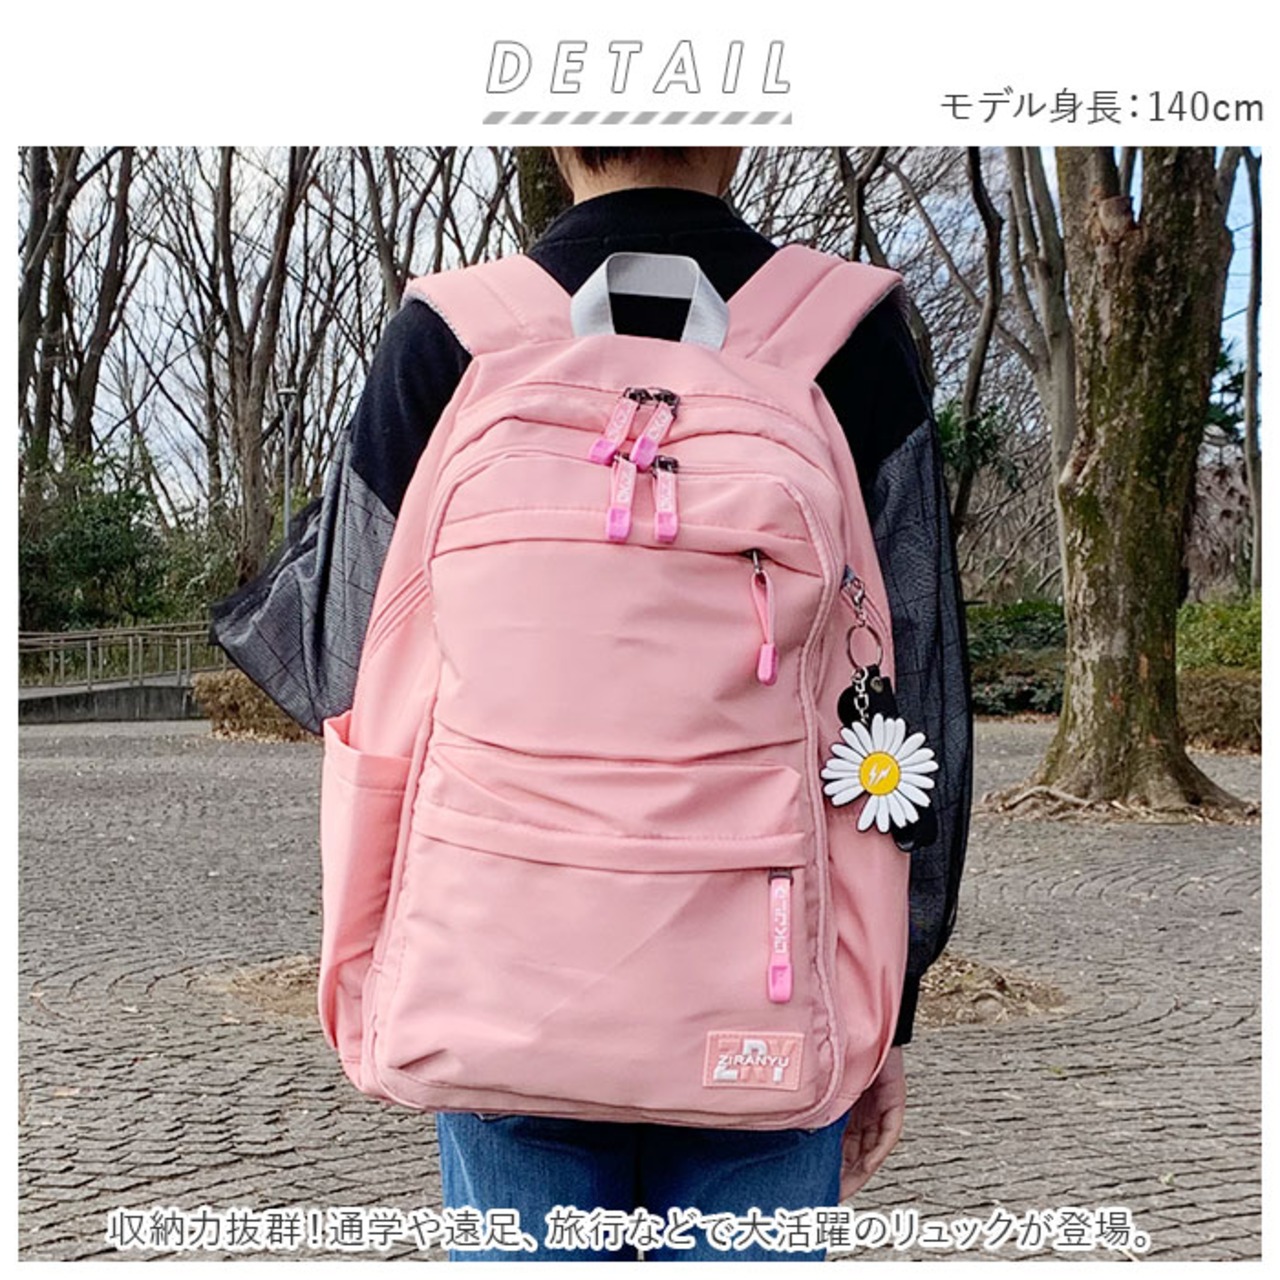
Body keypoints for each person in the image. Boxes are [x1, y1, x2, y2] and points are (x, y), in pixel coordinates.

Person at [212, 145, 972, 1262]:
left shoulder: (451, 335)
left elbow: (334, 653)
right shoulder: (845, 335)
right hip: (762, 984)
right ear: (738, 132)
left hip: (499, 961)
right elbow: (909, 690)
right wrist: (888, 1004)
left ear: (555, 139)